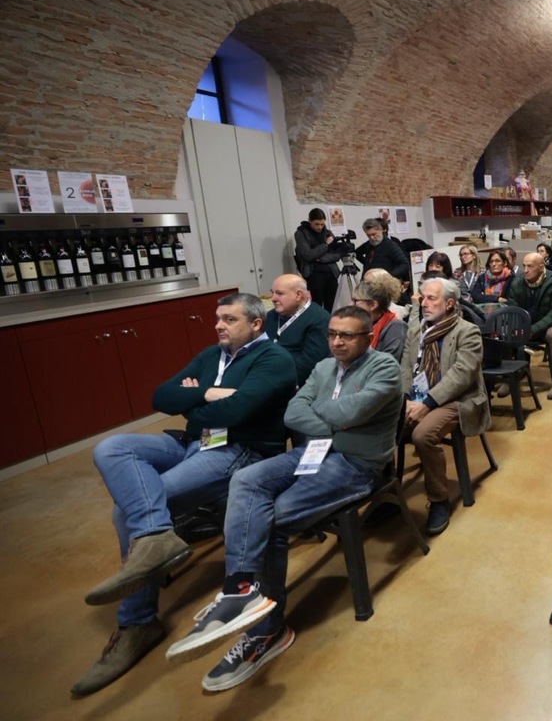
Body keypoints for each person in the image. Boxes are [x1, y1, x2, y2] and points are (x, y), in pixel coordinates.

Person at [162, 305, 402, 690]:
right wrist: (336, 422)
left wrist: (328, 417)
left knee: (271, 516)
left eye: (347, 335)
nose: (337, 342)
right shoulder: (323, 367)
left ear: (368, 337)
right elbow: (294, 413)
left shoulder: (385, 368)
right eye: (332, 334)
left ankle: (267, 632)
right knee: (247, 478)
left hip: (356, 464)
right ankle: (240, 590)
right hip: (316, 451)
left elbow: (351, 410)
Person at [73, 294, 296, 697]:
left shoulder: (274, 359)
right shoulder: (212, 355)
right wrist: (211, 393)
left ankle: (137, 622)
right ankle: (155, 534)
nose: (219, 325)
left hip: (238, 449)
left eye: (229, 319)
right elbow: (161, 397)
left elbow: (235, 413)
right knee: (112, 448)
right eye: (218, 318)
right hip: (193, 442)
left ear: (256, 324)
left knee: (124, 514)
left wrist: (195, 398)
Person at [399, 278, 490, 535]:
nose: (423, 303)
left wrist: (427, 403)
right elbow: (405, 366)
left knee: (422, 434)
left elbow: (462, 376)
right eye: (422, 298)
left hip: (458, 399)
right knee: (382, 422)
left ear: (449, 304)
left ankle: (439, 499)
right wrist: (406, 399)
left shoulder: (467, 331)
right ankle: (385, 492)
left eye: (431, 298)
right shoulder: (417, 330)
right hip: (418, 397)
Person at [508, 252, 552, 400]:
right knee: (506, 331)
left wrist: (533, 330)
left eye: (530, 266)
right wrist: (520, 327)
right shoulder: (517, 283)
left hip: (548, 325)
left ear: (541, 267)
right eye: (524, 266)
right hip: (526, 325)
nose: (526, 270)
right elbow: (513, 308)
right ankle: (512, 376)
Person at [265, 274, 331, 386]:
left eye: (279, 293)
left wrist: (274, 383)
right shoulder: (270, 316)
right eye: (273, 293)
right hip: (264, 373)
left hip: (291, 382)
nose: (273, 298)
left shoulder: (320, 319)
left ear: (298, 295)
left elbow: (308, 364)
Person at [292, 208, 341, 311]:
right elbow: (308, 255)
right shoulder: (301, 233)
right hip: (313, 274)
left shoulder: (328, 233)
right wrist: (325, 245)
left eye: (322, 224)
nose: (320, 227)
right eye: (316, 224)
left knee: (332, 306)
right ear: (310, 221)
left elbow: (337, 255)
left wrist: (319, 258)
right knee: (316, 306)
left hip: (331, 273)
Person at [351, 279, 406, 363]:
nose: (351, 305)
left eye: (356, 301)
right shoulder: (360, 325)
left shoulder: (396, 327)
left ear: (373, 305)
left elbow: (387, 363)